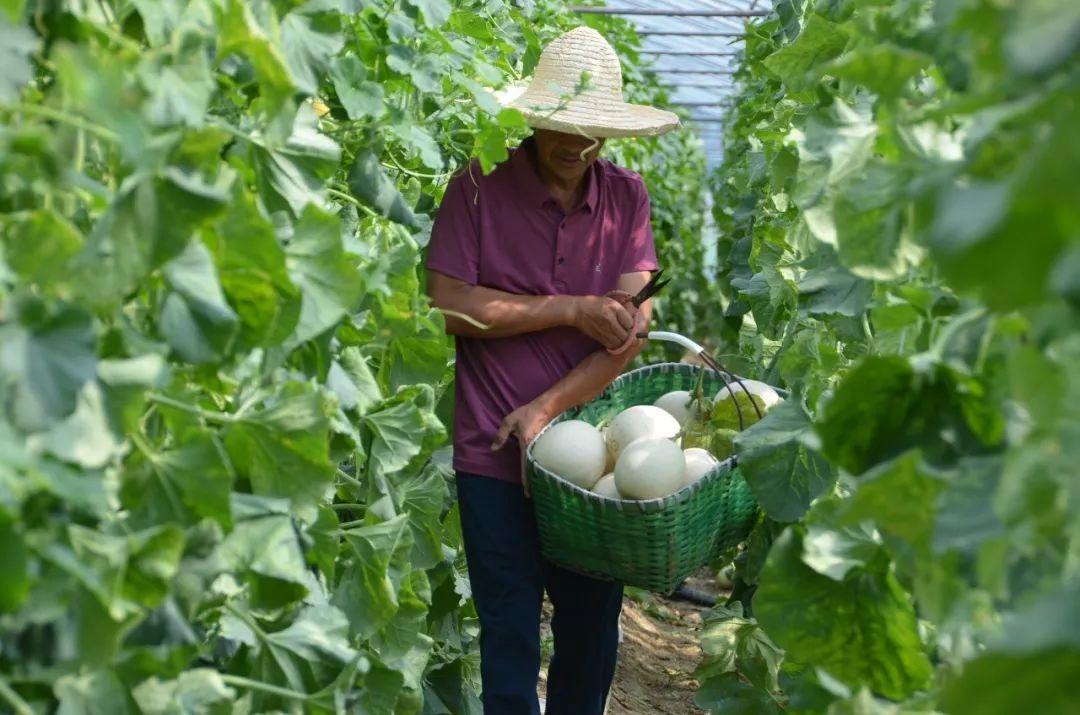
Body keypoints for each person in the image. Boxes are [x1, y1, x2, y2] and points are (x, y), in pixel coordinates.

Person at [426, 25, 681, 715]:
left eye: (591, 130)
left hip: (591, 462)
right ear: (534, 120)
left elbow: (628, 329)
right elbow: (451, 305)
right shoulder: (478, 186)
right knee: (507, 632)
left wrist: (544, 410)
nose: (574, 144)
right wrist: (570, 309)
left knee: (590, 632)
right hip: (492, 451)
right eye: (560, 127)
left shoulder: (626, 198)